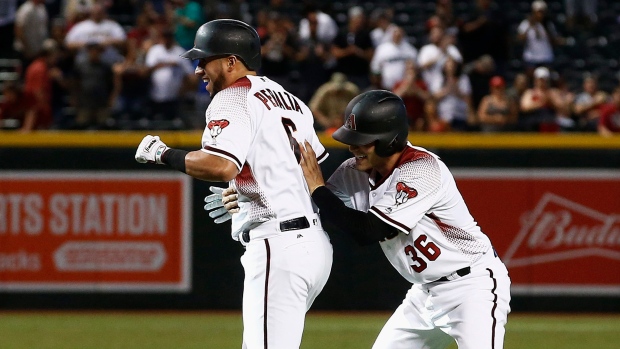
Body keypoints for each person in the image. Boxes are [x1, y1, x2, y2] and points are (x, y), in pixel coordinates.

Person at [208, 90, 512, 349]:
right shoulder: (355, 170)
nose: (353, 147)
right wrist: (249, 196)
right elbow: (307, 202)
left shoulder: (421, 169)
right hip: (424, 293)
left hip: (472, 286)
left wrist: (317, 188)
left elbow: (369, 230)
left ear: (390, 141)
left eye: (363, 140)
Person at [134, 19, 333, 349]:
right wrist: (247, 192)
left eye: (205, 59)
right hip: (313, 246)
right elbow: (308, 171)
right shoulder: (291, 100)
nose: (198, 70)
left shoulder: (232, 97)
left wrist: (162, 153)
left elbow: (221, 165)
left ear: (231, 61)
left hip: (278, 247)